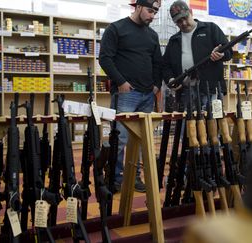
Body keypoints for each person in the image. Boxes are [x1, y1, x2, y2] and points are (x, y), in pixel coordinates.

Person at [99, 0, 162, 193]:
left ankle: (134, 177)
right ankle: (114, 178)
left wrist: (156, 86)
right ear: (139, 7)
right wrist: (121, 82)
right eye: (150, 11)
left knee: (142, 142)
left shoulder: (152, 34)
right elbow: (105, 58)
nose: (152, 16)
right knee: (120, 139)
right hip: (125, 93)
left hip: (147, 95)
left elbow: (157, 63)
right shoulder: (116, 28)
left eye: (155, 12)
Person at [162, 0, 232, 108]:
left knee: (212, 123)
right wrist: (170, 79)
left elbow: (229, 52)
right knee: (188, 124)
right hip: (185, 92)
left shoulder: (211, 29)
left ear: (191, 12)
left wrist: (221, 54)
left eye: (185, 18)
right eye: (179, 21)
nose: (184, 23)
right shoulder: (174, 40)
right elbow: (165, 65)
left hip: (211, 90)